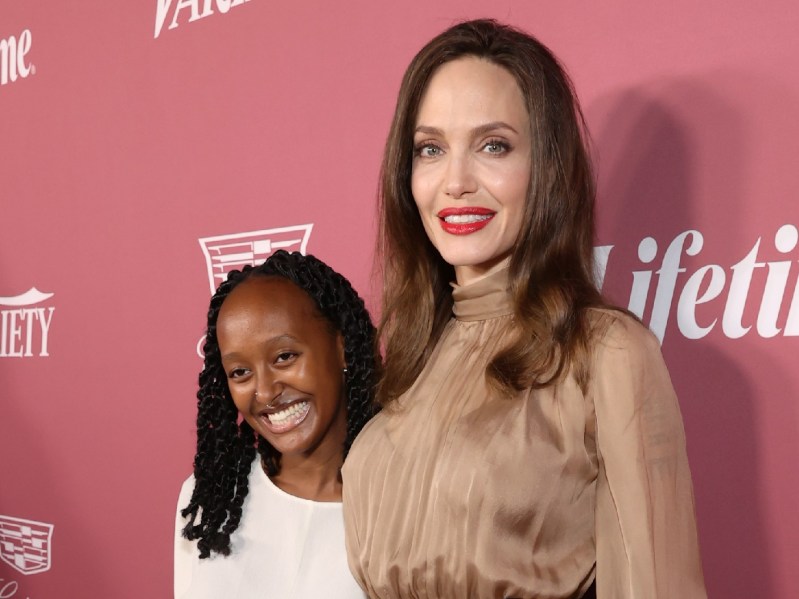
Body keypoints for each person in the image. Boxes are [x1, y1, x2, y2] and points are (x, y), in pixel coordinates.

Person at [342, 19, 707, 599]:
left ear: (547, 168)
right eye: (430, 149)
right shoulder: (407, 364)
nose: (456, 181)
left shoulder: (605, 354)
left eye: (494, 145)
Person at [175, 250, 377, 599]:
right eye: (240, 372)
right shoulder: (210, 497)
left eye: (285, 357)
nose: (265, 392)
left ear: (342, 346)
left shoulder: (403, 503)